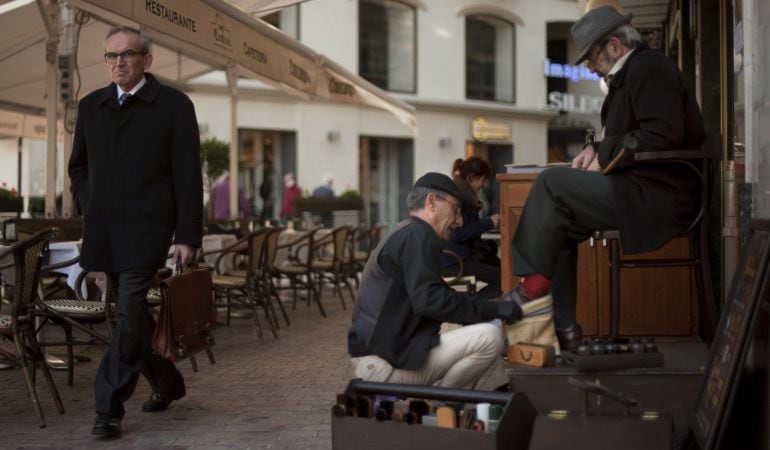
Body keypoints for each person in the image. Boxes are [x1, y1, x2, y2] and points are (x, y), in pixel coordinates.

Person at [505, 6, 706, 350]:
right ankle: (566, 330)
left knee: (551, 184)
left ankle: (531, 288)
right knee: (560, 223)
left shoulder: (649, 68)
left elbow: (662, 134)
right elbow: (633, 133)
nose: (587, 66)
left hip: (661, 195)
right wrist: (595, 148)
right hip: (642, 187)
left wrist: (604, 154)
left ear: (614, 45)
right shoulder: (632, 74)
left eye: (591, 56)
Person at [68, 26, 203, 438]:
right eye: (110, 56)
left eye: (126, 55)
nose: (118, 62)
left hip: (149, 229)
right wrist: (89, 199)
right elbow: (79, 166)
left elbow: (187, 174)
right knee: (134, 319)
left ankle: (107, 407)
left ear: (147, 58)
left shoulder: (174, 106)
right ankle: (167, 382)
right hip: (105, 229)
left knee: (127, 313)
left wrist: (187, 234)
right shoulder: (91, 106)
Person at [348, 173, 549, 389]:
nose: (460, 221)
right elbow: (431, 301)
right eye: (456, 210)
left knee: (468, 325)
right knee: (489, 337)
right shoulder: (418, 235)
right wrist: (495, 310)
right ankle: (444, 406)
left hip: (377, 356)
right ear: (432, 202)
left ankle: (441, 405)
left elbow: (438, 296)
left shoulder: (406, 231)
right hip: (382, 367)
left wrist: (491, 308)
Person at [441, 157, 501, 299]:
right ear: (471, 177)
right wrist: (489, 223)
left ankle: (473, 305)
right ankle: (472, 305)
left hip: (457, 257)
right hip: (455, 261)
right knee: (504, 278)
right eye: (482, 180)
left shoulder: (461, 192)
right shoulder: (459, 197)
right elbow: (457, 234)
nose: (483, 185)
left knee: (501, 271)